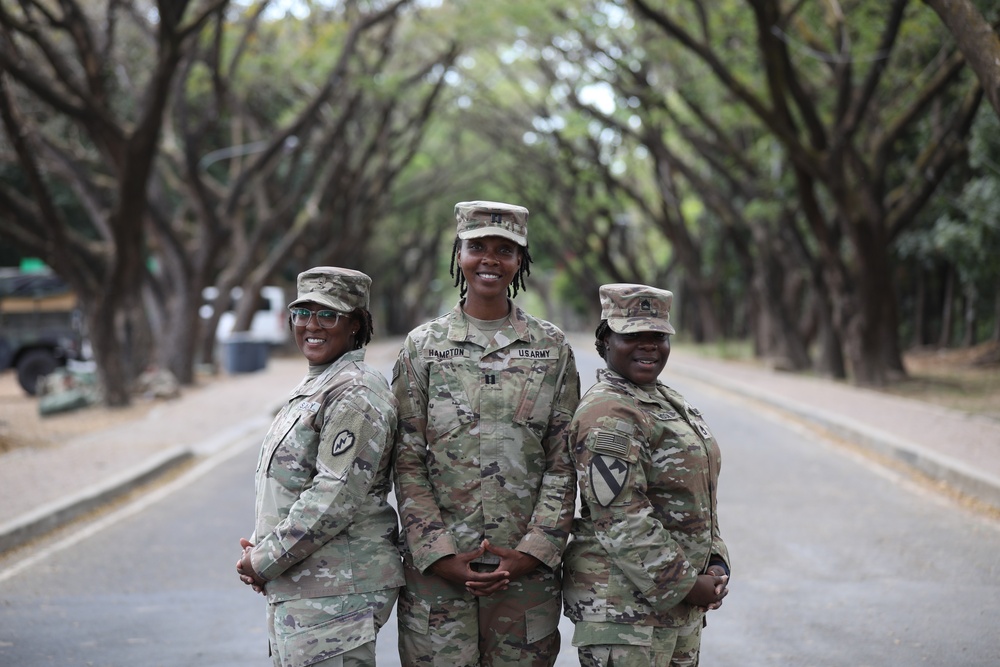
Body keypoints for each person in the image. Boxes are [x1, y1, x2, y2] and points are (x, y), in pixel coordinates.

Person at [392, 200, 581, 666]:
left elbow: (564, 460)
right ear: (459, 254)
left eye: (505, 249)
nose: (490, 259)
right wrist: (438, 554)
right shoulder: (424, 346)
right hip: (437, 578)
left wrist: (532, 552)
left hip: (525, 578)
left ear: (521, 261)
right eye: (477, 247)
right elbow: (407, 457)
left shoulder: (551, 348)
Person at [236, 267, 403, 667]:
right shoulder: (320, 383)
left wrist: (264, 559)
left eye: (328, 315)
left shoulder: (355, 392)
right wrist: (266, 550)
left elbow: (333, 496)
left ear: (356, 325)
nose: (312, 325)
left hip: (336, 594)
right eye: (302, 313)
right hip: (305, 585)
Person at [562, 283, 730, 667]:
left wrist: (716, 562)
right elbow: (621, 516)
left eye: (658, 335)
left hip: (676, 606)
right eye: (633, 335)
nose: (649, 344)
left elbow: (699, 496)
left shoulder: (666, 400)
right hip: (625, 613)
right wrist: (688, 584)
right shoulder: (608, 411)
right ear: (604, 342)